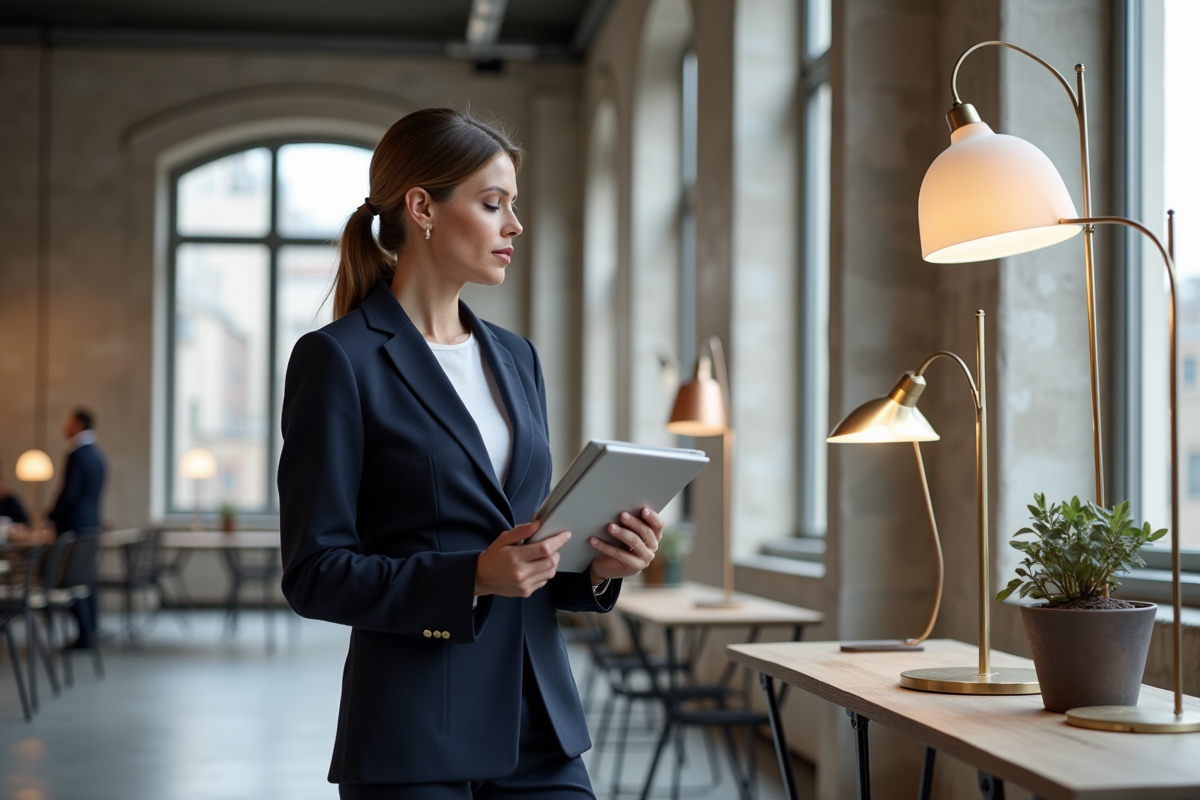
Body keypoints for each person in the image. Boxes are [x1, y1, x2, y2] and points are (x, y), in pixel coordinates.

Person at [279, 108, 664, 799]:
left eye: (513, 206)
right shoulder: (339, 360)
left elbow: (526, 546)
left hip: (540, 728)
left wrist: (598, 568)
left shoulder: (517, 358)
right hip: (415, 734)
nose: (514, 225)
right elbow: (314, 575)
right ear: (422, 207)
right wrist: (473, 579)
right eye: (493, 204)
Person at [47, 407, 107, 648]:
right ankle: (90, 631)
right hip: (91, 524)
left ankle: (84, 635)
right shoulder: (98, 455)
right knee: (85, 579)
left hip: (73, 526)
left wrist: (51, 518)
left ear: (79, 425)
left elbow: (68, 494)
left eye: (68, 421)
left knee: (70, 579)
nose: (64, 425)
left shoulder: (77, 454)